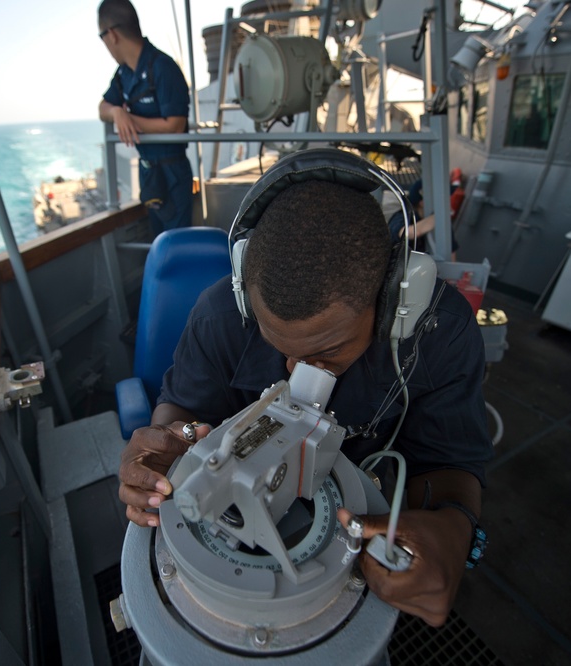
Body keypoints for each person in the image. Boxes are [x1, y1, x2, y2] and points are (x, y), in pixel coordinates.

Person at [118, 149, 493, 627]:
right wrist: (162, 450)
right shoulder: (219, 315)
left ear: (393, 300)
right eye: (280, 346)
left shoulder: (440, 330)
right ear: (243, 291)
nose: (298, 370)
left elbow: (454, 462)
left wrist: (453, 530)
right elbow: (180, 412)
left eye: (326, 351)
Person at [98, 0, 193, 234]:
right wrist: (117, 112)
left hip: (173, 173)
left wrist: (131, 121)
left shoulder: (162, 67)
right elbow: (103, 108)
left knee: (177, 244)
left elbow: (175, 124)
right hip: (149, 171)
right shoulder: (124, 74)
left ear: (111, 35)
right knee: (158, 241)